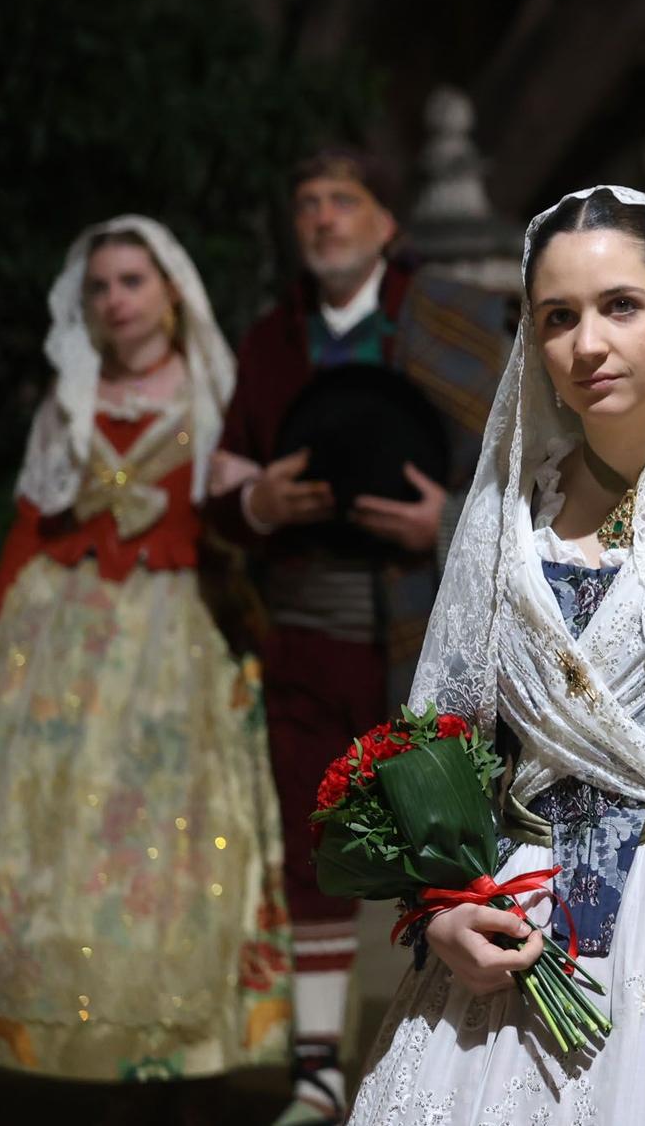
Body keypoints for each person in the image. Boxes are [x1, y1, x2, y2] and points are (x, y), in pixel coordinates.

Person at [350, 186, 645, 1124]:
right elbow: (441, 738)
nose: (588, 344)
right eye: (558, 317)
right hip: (511, 943)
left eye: (621, 305)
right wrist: (441, 907)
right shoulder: (507, 510)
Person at [209, 147, 509, 1122]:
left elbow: (526, 471)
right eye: (306, 202)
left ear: (387, 223)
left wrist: (446, 516)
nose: (323, 218)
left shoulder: (450, 320)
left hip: (425, 631)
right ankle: (315, 1071)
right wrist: (254, 499)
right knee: (314, 852)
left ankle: (473, 1052)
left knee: (445, 838)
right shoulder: (270, 343)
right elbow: (221, 485)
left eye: (344, 200)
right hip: (305, 630)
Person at [0, 218, 290, 1097]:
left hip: (175, 632)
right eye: (102, 286)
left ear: (170, 292)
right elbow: (34, 523)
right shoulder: (71, 395)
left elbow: (236, 517)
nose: (116, 300)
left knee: (168, 833)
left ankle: (176, 1046)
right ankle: (73, 1037)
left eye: (132, 281)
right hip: (65, 635)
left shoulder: (211, 390)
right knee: (61, 833)